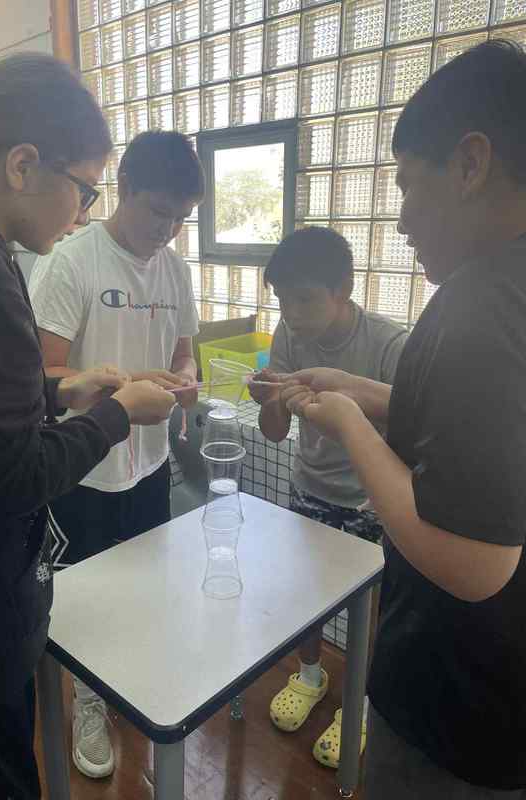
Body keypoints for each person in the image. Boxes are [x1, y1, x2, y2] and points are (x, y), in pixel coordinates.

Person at [0, 54, 176, 800]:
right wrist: (114, 415)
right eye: (86, 188)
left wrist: (57, 389)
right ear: (24, 166)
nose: (85, 210)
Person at [283, 40, 526, 799]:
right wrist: (362, 392)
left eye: (409, 185)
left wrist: (348, 424)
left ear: (470, 164)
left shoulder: (481, 308)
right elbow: (474, 432)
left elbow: (475, 563)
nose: (402, 218)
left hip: (458, 711)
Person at [29, 129, 204, 779]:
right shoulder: (73, 261)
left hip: (150, 460)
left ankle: (134, 683)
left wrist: (183, 377)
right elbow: (42, 371)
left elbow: (184, 349)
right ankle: (91, 702)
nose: (169, 230)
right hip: (83, 462)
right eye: (160, 212)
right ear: (123, 190)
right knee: (86, 600)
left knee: (145, 585)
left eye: (181, 219)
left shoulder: (175, 269)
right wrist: (119, 391)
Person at [248, 226, 407, 767]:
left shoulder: (388, 344)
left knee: (370, 609)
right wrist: (267, 397)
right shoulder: (287, 336)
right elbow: (273, 430)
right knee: (307, 595)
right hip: (310, 486)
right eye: (282, 299)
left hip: (372, 502)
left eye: (305, 298)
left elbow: (414, 437)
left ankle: (356, 702)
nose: (291, 312)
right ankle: (310, 673)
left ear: (344, 289)